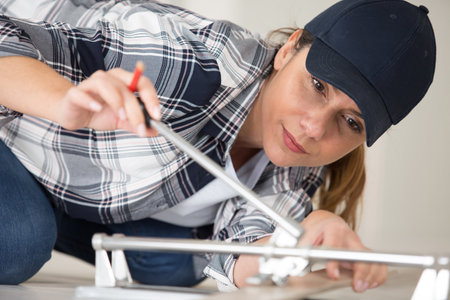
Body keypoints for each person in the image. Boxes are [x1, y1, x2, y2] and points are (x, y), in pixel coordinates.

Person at [0, 0, 435, 294]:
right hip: (12, 130)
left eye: (350, 121)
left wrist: (302, 243)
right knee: (22, 239)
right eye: (317, 85)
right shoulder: (188, 63)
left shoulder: (297, 163)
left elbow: (240, 257)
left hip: (74, 181)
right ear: (287, 51)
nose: (313, 129)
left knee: (175, 268)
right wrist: (61, 100)